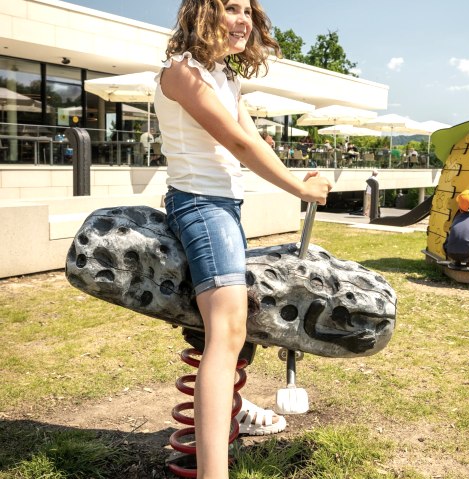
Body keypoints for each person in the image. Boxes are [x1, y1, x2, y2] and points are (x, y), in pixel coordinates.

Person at [153, 1, 332, 477]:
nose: (244, 19)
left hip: (223, 207)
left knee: (231, 330)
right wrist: (300, 189)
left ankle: (227, 430)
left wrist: (295, 174)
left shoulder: (225, 78)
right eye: (231, 7)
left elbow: (251, 140)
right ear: (202, 13)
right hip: (199, 204)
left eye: (248, 11)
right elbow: (238, 143)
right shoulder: (182, 72)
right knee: (226, 333)